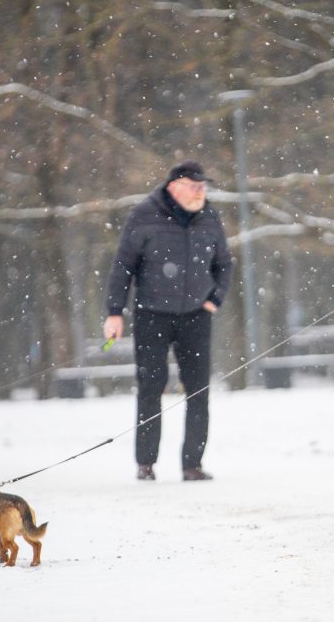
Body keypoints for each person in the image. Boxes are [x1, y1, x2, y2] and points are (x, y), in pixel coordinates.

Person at [103, 160, 233, 482]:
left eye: (203, 187)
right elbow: (123, 267)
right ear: (174, 186)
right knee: (150, 387)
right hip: (151, 314)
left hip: (196, 316)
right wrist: (114, 312)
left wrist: (214, 299)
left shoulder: (210, 217)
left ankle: (193, 465)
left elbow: (225, 263)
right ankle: (146, 464)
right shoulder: (144, 215)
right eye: (194, 186)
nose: (200, 192)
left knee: (198, 390)